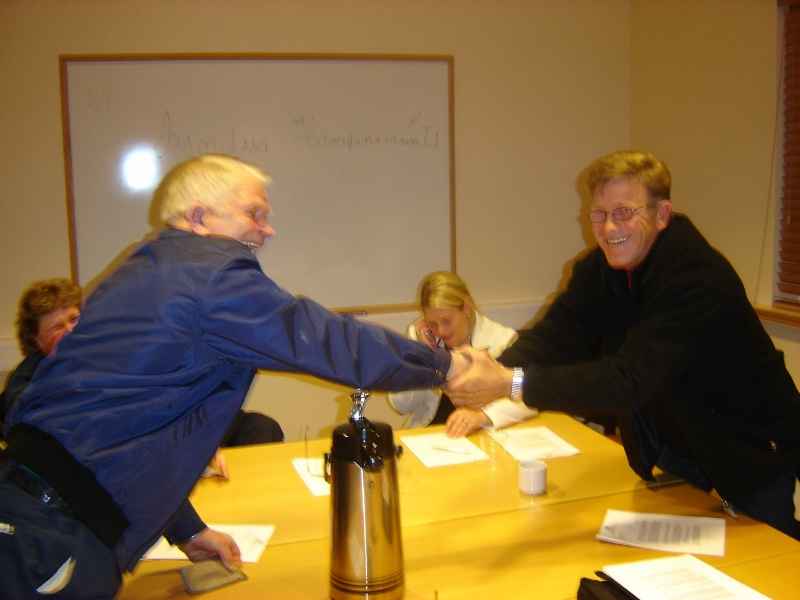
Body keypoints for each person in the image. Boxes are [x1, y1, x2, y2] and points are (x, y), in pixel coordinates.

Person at [0, 154, 468, 599]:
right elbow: (322, 339)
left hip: (32, 508)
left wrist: (187, 531)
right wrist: (447, 366)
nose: (268, 229)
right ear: (199, 218)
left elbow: (133, 426)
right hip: (50, 536)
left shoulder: (150, 266)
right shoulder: (209, 275)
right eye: (254, 214)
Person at [447, 150, 800, 540]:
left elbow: (628, 380)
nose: (609, 227)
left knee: (765, 564)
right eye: (598, 214)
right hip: (681, 452)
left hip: (749, 456)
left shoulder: (696, 277)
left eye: (624, 212)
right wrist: (485, 368)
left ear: (662, 214)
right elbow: (555, 336)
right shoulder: (600, 269)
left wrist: (509, 383)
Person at [388, 271, 537, 437]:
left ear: (466, 308)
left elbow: (528, 400)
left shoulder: (502, 340)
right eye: (433, 324)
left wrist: (483, 416)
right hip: (431, 432)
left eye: (446, 321)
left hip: (482, 434)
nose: (441, 331)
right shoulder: (420, 338)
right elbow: (401, 406)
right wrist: (424, 356)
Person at [0, 278, 81, 430]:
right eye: (57, 327)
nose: (70, 330)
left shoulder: (102, 355)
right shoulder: (25, 383)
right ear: (36, 340)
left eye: (74, 319)